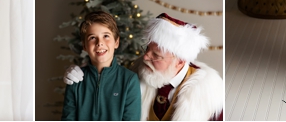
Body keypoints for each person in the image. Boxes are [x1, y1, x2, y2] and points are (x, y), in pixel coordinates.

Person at [66, 13, 224, 121]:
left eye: (156, 55)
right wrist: (81, 71)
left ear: (180, 61)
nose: (146, 57)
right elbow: (106, 79)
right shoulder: (137, 73)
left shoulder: (208, 93)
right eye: (147, 49)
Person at [61, 10, 141, 121]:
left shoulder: (129, 80)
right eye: (92, 37)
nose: (100, 43)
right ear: (84, 46)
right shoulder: (74, 80)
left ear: (116, 42)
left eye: (106, 36)